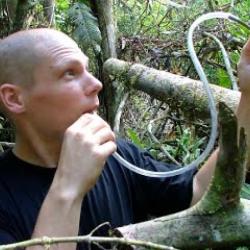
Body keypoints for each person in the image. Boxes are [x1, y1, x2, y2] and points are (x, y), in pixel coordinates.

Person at [0, 28, 246, 250]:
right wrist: (68, 187)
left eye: (87, 70)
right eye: (69, 73)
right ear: (15, 98)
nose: (96, 84)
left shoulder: (117, 155)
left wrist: (248, 95)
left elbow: (198, 192)